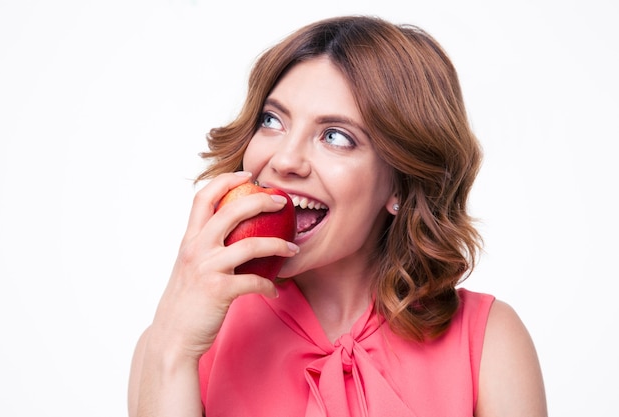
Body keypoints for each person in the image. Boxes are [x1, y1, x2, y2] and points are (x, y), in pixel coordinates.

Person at [127, 15, 547, 417]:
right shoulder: (179, 345)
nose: (285, 159)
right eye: (272, 120)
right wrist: (173, 349)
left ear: (400, 183)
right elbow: (171, 349)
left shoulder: (490, 342)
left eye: (335, 136)